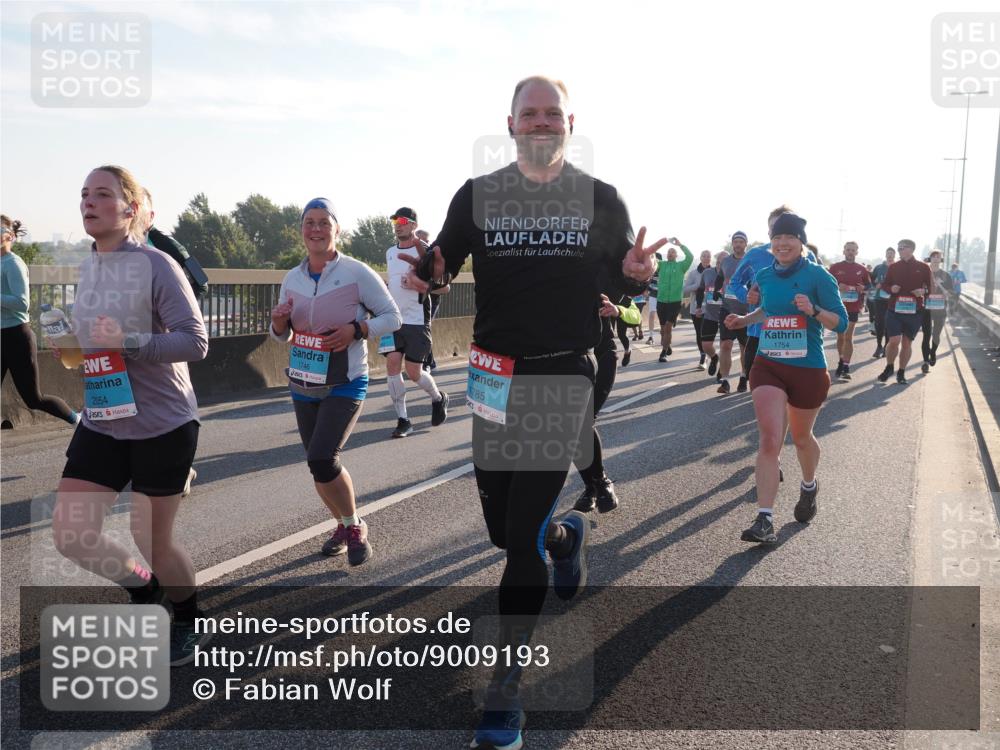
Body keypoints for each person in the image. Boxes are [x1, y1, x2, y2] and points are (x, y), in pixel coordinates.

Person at [401, 75, 663, 750]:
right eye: (530, 114)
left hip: (560, 370)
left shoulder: (599, 200)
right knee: (503, 531)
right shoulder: (479, 196)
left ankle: (506, 689)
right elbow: (443, 266)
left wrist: (635, 276)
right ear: (511, 123)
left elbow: (622, 280)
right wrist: (426, 272)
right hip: (491, 374)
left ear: (570, 123)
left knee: (516, 545)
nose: (541, 123)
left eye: (553, 114)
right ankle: (564, 539)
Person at [50, 165, 209, 665]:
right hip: (103, 416)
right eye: (83, 194)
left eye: (102, 194)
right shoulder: (88, 266)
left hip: (162, 423)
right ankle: (145, 592)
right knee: (72, 535)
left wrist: (130, 342)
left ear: (131, 209)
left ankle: (188, 618)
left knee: (152, 541)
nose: (88, 202)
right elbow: (96, 339)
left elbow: (196, 341)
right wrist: (75, 348)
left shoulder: (158, 265)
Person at [270, 197, 401, 566]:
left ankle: (355, 525)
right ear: (301, 231)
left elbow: (392, 318)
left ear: (336, 229)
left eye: (324, 222)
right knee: (317, 464)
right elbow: (283, 335)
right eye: (309, 222)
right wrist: (279, 322)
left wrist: (356, 329)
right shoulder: (292, 278)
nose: (316, 229)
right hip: (303, 382)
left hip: (346, 380)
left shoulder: (357, 272)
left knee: (323, 456)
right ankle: (344, 525)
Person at [723, 212, 848, 544]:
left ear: (800, 242)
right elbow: (769, 310)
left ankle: (809, 485)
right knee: (769, 439)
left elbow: (842, 322)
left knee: (802, 439)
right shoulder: (764, 275)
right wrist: (743, 318)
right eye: (776, 238)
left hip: (807, 368)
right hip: (769, 364)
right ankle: (764, 519)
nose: (781, 244)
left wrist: (813, 311)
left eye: (788, 238)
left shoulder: (819, 276)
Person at [1, 215, 80, 427]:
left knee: (33, 399)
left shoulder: (13, 264)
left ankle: (78, 420)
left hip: (17, 337)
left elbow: (21, 303)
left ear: (9, 236)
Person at [382, 207, 449, 438]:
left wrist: (422, 285)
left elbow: (446, 286)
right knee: (391, 365)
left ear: (413, 225)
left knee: (413, 373)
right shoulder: (390, 252)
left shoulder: (426, 252)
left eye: (402, 220)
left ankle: (438, 397)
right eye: (394, 221)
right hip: (393, 320)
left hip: (417, 321)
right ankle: (403, 420)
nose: (397, 224)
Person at [573, 292, 640, 513]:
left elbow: (636, 316)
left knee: (583, 421)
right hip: (569, 359)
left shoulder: (609, 278)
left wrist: (618, 310)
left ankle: (600, 483)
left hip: (602, 357)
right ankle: (591, 487)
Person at [877, 240, 932, 385]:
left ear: (912, 249)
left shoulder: (923, 267)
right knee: (894, 340)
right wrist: (891, 289)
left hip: (914, 311)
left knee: (907, 344)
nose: (900, 250)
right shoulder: (894, 266)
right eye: (898, 247)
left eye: (903, 247)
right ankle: (889, 367)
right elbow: (885, 284)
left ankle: (901, 372)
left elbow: (931, 288)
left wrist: (923, 291)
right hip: (894, 309)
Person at [827, 241, 871, 380]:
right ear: (844, 251)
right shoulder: (835, 268)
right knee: (840, 336)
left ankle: (846, 365)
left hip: (853, 307)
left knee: (848, 336)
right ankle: (841, 360)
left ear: (857, 252)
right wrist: (838, 286)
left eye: (853, 250)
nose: (850, 252)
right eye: (848, 250)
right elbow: (826, 284)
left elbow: (869, 285)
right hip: (838, 307)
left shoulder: (862, 269)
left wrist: (863, 288)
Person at [718, 231, 749, 393]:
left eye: (740, 242)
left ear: (745, 244)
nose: (737, 244)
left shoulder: (751, 261)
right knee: (725, 345)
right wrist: (717, 292)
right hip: (726, 309)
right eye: (735, 242)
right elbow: (719, 279)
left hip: (746, 311)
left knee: (744, 346)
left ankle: (743, 377)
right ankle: (725, 381)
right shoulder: (725, 261)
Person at [653, 240, 693, 363]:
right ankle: (667, 345)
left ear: (676, 255)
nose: (670, 253)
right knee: (663, 329)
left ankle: (663, 352)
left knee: (668, 328)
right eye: (669, 252)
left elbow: (690, 257)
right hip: (661, 300)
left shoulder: (681, 266)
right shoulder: (661, 265)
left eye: (673, 252)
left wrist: (680, 245)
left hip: (675, 301)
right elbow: (651, 259)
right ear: (667, 255)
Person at [697, 250, 728, 381]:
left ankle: (721, 371)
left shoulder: (733, 274)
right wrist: (698, 306)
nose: (722, 265)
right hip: (709, 315)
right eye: (720, 262)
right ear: (716, 261)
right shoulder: (707, 273)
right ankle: (714, 358)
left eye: (725, 262)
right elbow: (700, 289)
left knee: (725, 346)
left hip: (726, 314)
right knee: (706, 345)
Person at [920, 250, 953, 373]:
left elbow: (950, 294)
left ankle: (933, 352)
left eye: (938, 256)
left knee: (936, 334)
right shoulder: (924, 273)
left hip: (940, 308)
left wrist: (941, 286)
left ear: (941, 259)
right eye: (933, 256)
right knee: (926, 335)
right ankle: (925, 362)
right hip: (926, 308)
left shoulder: (946, 275)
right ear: (930, 258)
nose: (935, 258)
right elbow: (918, 288)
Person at [683, 250, 712, 370]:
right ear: (700, 258)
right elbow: (685, 290)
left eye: (708, 256)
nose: (706, 258)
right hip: (696, 308)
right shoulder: (693, 273)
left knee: (707, 333)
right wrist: (697, 286)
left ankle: (707, 354)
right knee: (699, 333)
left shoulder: (714, 272)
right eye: (703, 256)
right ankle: (703, 355)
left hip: (710, 308)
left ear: (710, 259)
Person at [870, 247, 896, 358]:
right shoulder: (879, 268)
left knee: (889, 324)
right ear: (885, 255)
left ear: (894, 255)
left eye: (891, 254)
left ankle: (886, 346)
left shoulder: (897, 267)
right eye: (888, 253)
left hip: (892, 300)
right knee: (879, 323)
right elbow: (871, 279)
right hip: (879, 299)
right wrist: (875, 285)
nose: (890, 255)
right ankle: (879, 346)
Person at [644, 254, 661, 344]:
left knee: (662, 316)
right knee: (652, 314)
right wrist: (646, 290)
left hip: (663, 296)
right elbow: (647, 282)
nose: (656, 262)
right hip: (653, 295)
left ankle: (664, 334)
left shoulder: (664, 271)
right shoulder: (651, 271)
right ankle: (651, 336)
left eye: (658, 260)